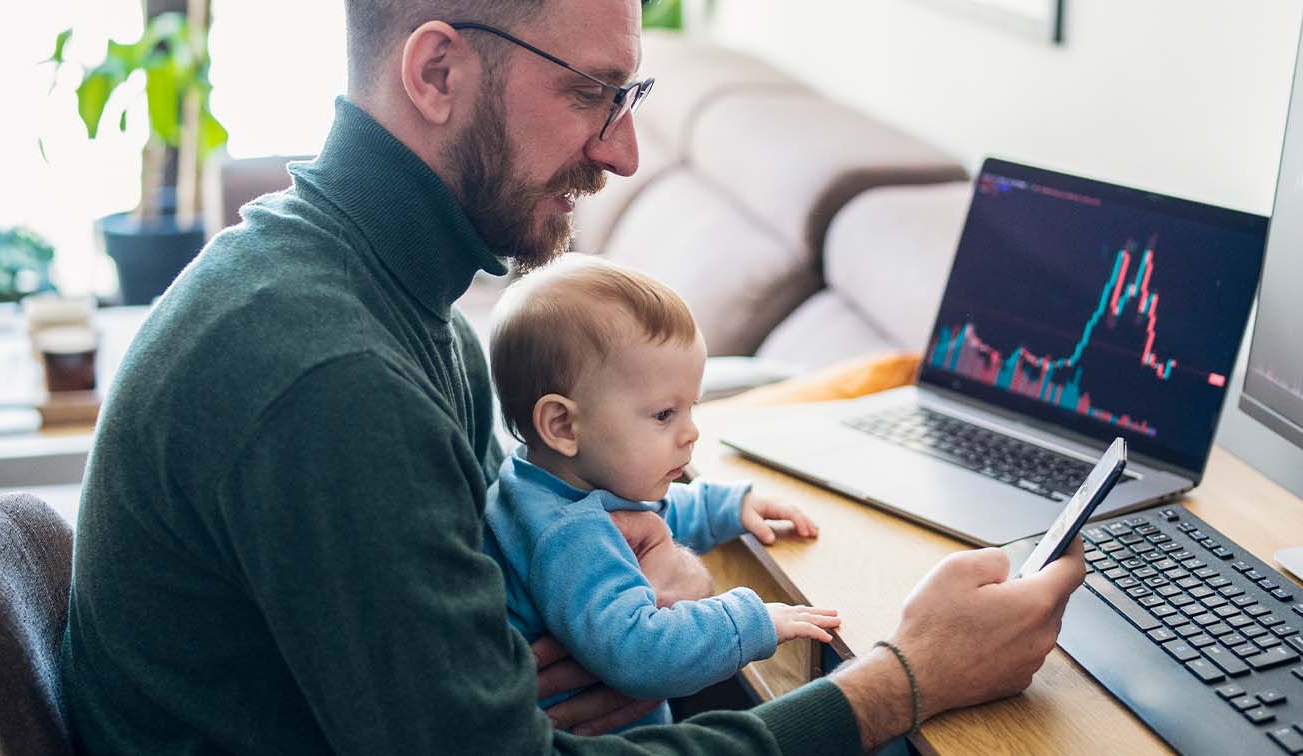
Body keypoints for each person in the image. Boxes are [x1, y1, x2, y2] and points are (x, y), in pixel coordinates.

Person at [61, 0, 1087, 753]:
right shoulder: (330, 378)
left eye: (628, 94)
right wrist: (902, 681)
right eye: (592, 94)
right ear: (436, 74)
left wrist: (531, 669)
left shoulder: (404, 309)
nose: (627, 151)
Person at [483, 256, 838, 731]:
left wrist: (722, 506)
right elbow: (640, 650)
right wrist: (752, 621)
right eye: (664, 415)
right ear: (563, 424)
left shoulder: (543, 482)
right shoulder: (571, 536)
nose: (690, 433)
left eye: (690, 407)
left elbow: (643, 518)